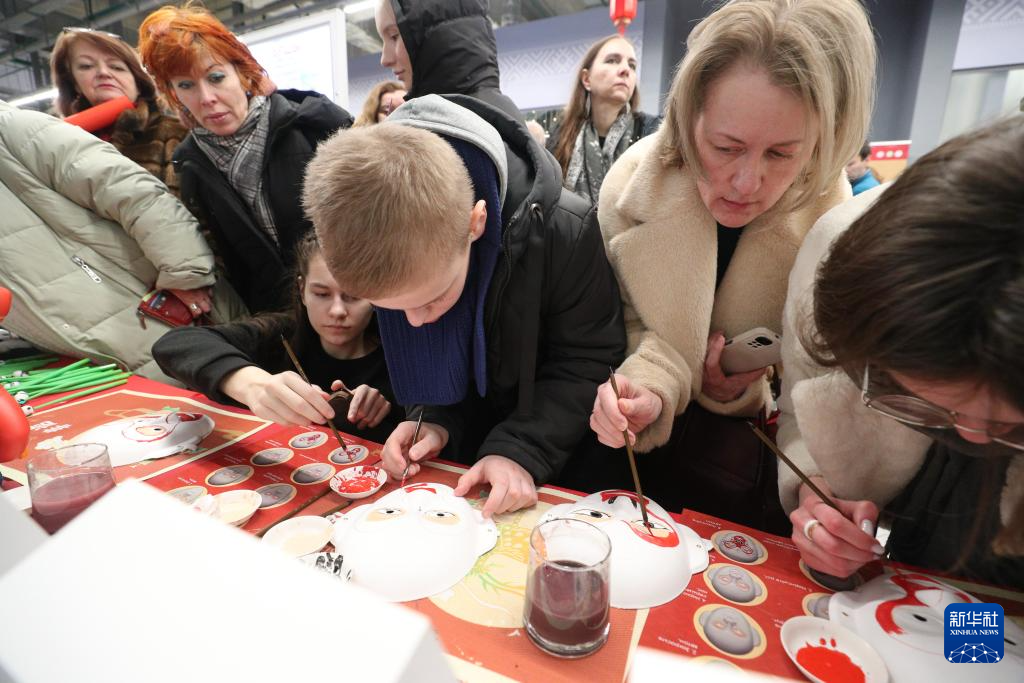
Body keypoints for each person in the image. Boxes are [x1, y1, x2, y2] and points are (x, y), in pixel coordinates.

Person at [581, 0, 876, 518]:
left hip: (737, 482)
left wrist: (816, 483)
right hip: (619, 474)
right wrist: (650, 383)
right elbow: (623, 322)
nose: (745, 183)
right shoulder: (628, 188)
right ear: (687, 117)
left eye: (782, 154)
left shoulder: (831, 219)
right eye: (725, 146)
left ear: (820, 145)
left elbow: (817, 378)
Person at [303, 94, 626, 518]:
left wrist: (520, 450)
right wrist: (433, 417)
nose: (415, 322)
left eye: (432, 299)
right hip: (464, 468)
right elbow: (435, 349)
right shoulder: (387, 234)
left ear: (476, 223)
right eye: (391, 311)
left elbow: (586, 359)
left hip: (562, 462)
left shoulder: (566, 230)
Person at [777, 116, 1024, 586]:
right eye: (929, 406)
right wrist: (816, 492)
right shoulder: (843, 267)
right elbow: (800, 402)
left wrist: (975, 629)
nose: (970, 436)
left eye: (1007, 426)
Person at [0, 100, 244, 382]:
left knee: (252, 394)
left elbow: (134, 194)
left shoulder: (12, 131)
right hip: (92, 362)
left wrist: (186, 273)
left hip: (168, 313)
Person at [138, 4, 353, 314]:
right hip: (277, 319)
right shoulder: (191, 166)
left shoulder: (313, 124)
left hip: (353, 302)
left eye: (216, 77)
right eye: (185, 85)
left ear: (241, 72)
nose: (207, 98)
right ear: (172, 93)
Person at [153, 233, 397, 444]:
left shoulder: (398, 358)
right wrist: (251, 384)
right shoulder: (280, 335)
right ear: (302, 290)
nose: (337, 311)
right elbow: (174, 344)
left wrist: (386, 411)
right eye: (322, 294)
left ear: (375, 295)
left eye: (353, 296)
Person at [50, 27, 188, 196]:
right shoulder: (62, 144)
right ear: (75, 84)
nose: (103, 72)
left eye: (116, 67)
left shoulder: (175, 132)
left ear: (138, 82)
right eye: (86, 66)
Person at [548, 35, 660, 204]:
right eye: (612, 61)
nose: (625, 70)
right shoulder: (561, 135)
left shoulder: (651, 132)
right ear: (587, 79)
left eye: (632, 65)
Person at [374, 0, 524, 122]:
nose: (385, 60)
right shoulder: (503, 118)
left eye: (394, 36)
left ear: (439, 39)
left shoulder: (450, 131)